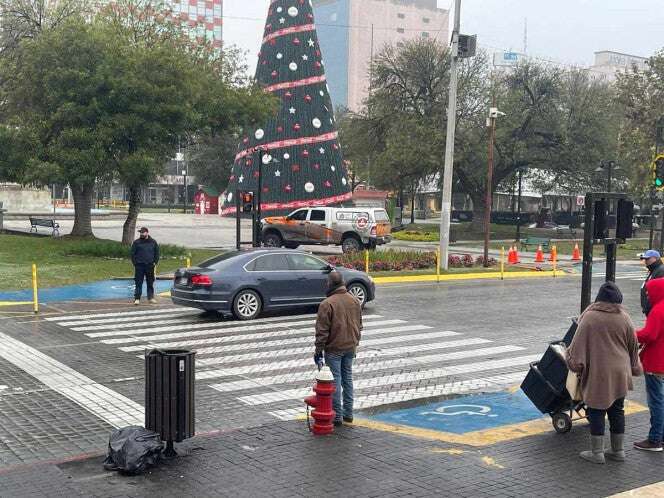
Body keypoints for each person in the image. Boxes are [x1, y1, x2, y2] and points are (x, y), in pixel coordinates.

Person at [567, 281, 642, 464]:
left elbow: (576, 349)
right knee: (617, 410)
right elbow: (633, 345)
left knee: (596, 410)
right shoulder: (624, 317)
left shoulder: (590, 318)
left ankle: (597, 452)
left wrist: (572, 362)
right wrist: (634, 366)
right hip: (620, 371)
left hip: (599, 372)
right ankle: (618, 450)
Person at [314, 271, 363, 427]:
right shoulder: (354, 300)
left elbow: (322, 332)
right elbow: (360, 324)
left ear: (330, 284)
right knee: (347, 379)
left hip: (334, 348)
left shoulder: (327, 304)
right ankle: (348, 414)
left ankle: (337, 416)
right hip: (351, 346)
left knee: (335, 380)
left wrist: (318, 351)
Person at [634, 277, 664, 452]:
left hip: (655, 362)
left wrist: (632, 333)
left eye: (648, 292)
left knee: (656, 402)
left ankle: (654, 440)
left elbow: (650, 335)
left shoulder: (658, 310)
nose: (647, 295)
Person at [131, 227, 160, 305]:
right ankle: (137, 298)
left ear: (147, 233)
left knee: (150, 282)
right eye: (140, 232)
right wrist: (135, 263)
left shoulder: (153, 242)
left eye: (143, 232)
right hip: (139, 266)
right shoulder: (136, 242)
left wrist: (155, 262)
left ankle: (150, 297)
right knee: (138, 282)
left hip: (150, 266)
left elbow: (157, 253)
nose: (141, 234)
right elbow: (132, 254)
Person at [640, 249, 664, 315]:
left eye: (647, 259)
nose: (645, 261)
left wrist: (649, 308)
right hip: (651, 310)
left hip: (654, 310)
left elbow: (658, 293)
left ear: (655, 258)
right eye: (645, 259)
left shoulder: (661, 271)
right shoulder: (654, 270)